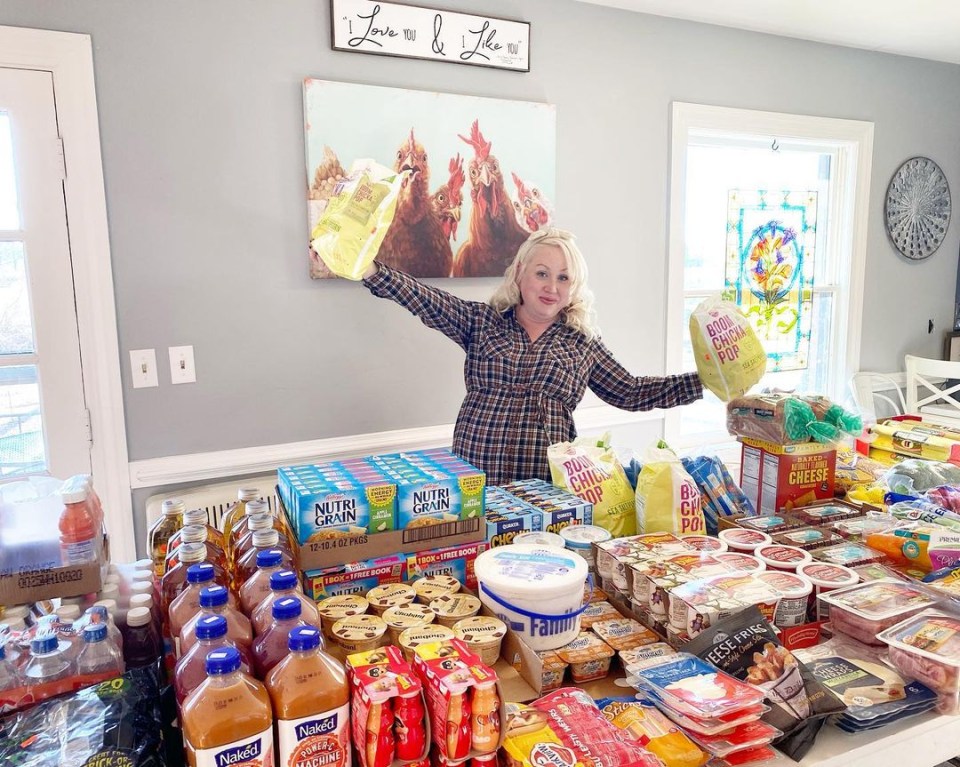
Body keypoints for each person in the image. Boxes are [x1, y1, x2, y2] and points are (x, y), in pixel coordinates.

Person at [361, 228, 702, 485]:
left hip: (546, 483)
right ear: (521, 272)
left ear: (574, 287)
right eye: (542, 273)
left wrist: (706, 381)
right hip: (478, 473)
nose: (551, 287)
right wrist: (371, 270)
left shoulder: (582, 342)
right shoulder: (482, 322)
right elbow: (425, 299)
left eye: (563, 278)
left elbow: (630, 391)